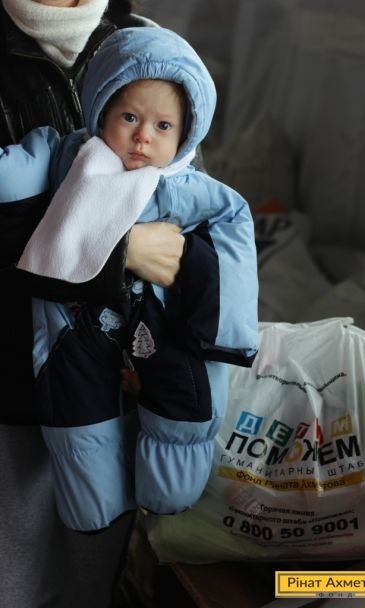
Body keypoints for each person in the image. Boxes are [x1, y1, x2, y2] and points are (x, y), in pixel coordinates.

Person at [7, 25, 259, 532]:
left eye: (163, 126)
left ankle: (170, 490)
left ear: (186, 133)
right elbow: (13, 181)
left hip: (163, 321)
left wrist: (225, 335)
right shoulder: (71, 159)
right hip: (76, 322)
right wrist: (127, 249)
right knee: (77, 405)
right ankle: (92, 504)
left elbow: (234, 233)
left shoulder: (190, 186)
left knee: (181, 391)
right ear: (101, 111)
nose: (144, 136)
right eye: (129, 118)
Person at [0, 1, 185, 607]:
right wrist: (118, 252)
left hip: (116, 380)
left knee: (89, 582)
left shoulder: (146, 42)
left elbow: (183, 204)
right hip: (11, 388)